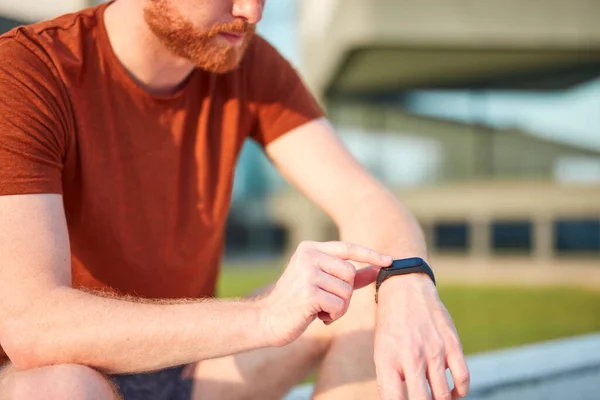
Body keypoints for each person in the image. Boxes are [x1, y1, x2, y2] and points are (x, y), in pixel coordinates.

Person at [0, 0, 470, 399]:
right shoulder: (27, 73)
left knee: (375, 296)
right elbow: (34, 327)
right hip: (64, 372)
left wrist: (409, 279)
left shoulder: (244, 59)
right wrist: (264, 317)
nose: (251, 12)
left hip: (193, 368)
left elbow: (364, 198)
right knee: (60, 387)